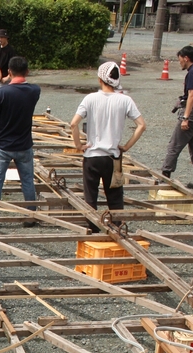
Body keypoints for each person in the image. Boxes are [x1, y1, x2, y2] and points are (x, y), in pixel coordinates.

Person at [70, 61, 146, 230]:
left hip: (92, 156)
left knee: (90, 197)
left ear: (100, 79)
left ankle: (93, 228)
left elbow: (74, 124)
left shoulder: (90, 98)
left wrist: (78, 145)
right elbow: (142, 125)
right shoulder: (125, 100)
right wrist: (126, 146)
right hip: (113, 157)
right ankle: (118, 228)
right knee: (115, 197)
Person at [0, 56, 41, 229]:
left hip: (3, 146)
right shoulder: (35, 91)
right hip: (24, 145)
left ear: (9, 72)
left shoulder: (2, 93)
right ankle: (31, 216)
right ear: (27, 71)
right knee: (27, 180)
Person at [162, 45, 193, 191]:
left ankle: (165, 176)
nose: (180, 62)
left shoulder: (192, 73)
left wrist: (186, 118)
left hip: (191, 112)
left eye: (180, 59)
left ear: (186, 58)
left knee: (174, 145)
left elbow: (192, 95)